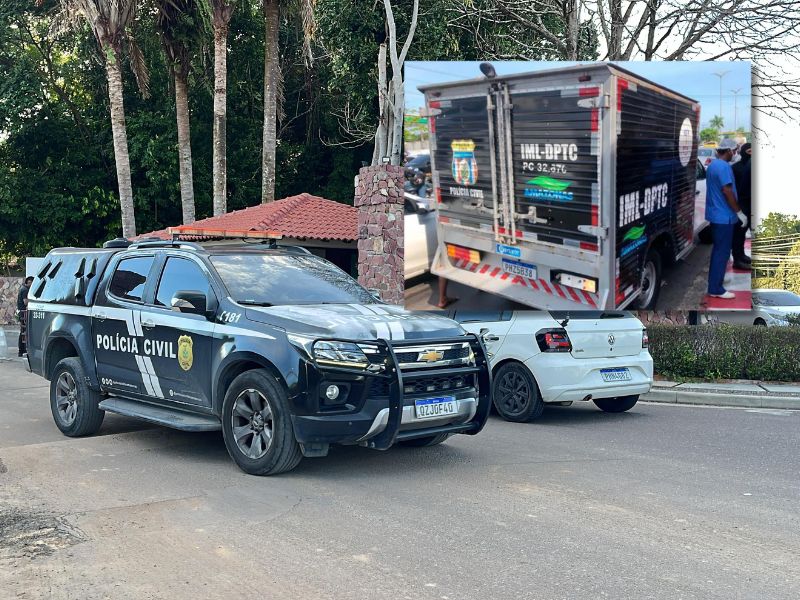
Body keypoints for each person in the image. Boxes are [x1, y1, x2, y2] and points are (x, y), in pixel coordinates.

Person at [705, 138, 747, 299]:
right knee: (721, 253)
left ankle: (716, 282)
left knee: (719, 252)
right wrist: (739, 212)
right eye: (734, 151)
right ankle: (715, 288)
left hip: (717, 215)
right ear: (728, 151)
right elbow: (727, 191)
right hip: (724, 217)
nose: (735, 154)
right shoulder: (723, 167)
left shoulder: (714, 165)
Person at [731, 142, 752, 269]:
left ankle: (742, 254)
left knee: (745, 232)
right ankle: (737, 259)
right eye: (749, 151)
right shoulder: (735, 168)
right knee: (738, 233)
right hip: (741, 205)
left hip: (751, 203)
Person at [16, 276, 33, 356]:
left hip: (21, 312)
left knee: (23, 331)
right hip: (23, 313)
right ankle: (21, 350)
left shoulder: (23, 289)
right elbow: (25, 302)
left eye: (31, 282)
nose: (31, 284)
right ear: (27, 282)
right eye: (29, 282)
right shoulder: (25, 290)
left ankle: (21, 350)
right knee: (24, 331)